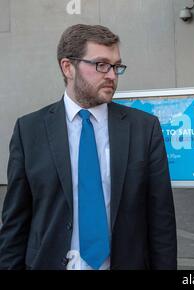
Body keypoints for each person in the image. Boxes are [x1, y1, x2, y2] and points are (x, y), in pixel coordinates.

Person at [0, 24, 177, 270]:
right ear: (67, 67)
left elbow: (162, 221)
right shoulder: (29, 131)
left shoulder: (144, 129)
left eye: (116, 66)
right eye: (101, 65)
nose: (112, 76)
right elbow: (15, 222)